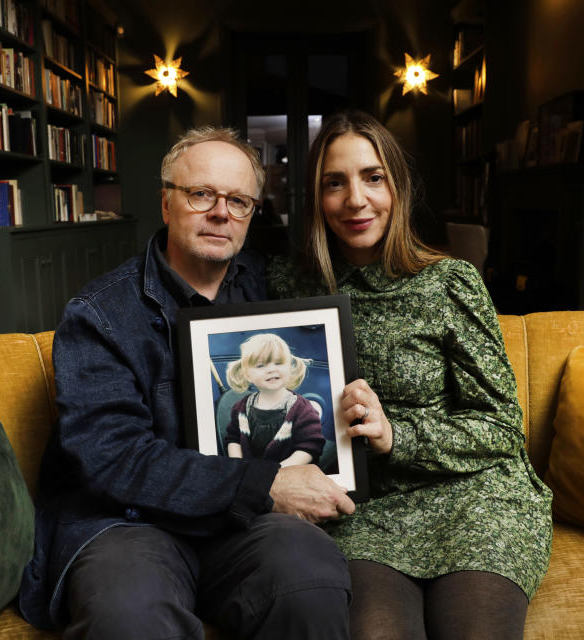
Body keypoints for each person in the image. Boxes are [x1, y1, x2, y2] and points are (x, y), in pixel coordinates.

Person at [18, 126, 355, 639]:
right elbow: (113, 459)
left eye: (239, 200)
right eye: (201, 194)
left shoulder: (274, 292)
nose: (221, 212)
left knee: (310, 577)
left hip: (239, 525)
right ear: (166, 203)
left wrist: (357, 403)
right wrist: (263, 482)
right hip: (127, 523)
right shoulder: (99, 315)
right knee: (129, 615)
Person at [269, 110, 553, 639]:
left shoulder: (449, 283)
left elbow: (502, 426)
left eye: (373, 177)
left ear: (396, 187)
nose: (356, 199)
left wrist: (396, 435)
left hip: (476, 500)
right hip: (366, 510)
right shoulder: (287, 287)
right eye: (335, 182)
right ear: (316, 197)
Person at [223, 332, 325, 466]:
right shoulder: (242, 408)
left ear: (290, 367)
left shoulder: (301, 409)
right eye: (260, 366)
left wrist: (276, 472)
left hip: (290, 475)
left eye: (278, 363)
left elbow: (310, 447)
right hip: (251, 476)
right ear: (247, 375)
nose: (271, 369)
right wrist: (238, 465)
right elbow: (233, 439)